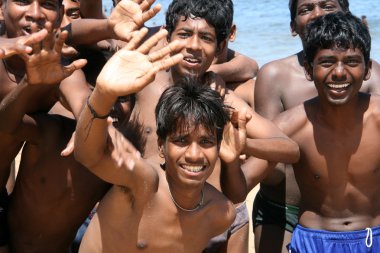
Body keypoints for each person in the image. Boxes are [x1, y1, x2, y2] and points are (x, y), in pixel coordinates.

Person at [74, 24, 247, 252]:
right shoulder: (143, 183)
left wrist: (233, 162)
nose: (194, 155)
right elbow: (88, 155)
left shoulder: (219, 213)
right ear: (161, 147)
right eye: (181, 141)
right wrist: (102, 95)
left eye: (205, 142)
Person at [249, 0, 380, 252]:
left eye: (327, 6)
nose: (317, 14)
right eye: (306, 8)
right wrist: (247, 146)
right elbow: (266, 169)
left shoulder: (371, 80)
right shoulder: (277, 79)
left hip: (367, 226)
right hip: (290, 211)